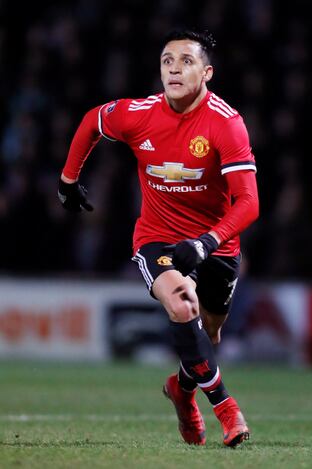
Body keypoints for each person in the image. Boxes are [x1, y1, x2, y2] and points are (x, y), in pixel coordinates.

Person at [58, 29, 259, 448]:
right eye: (167, 60)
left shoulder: (226, 123)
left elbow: (249, 204)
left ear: (206, 72)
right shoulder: (140, 113)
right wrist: (69, 178)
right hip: (158, 238)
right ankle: (225, 408)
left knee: (209, 336)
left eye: (185, 61)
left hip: (216, 244)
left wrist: (206, 242)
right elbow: (92, 121)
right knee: (182, 304)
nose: (173, 68)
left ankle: (181, 391)